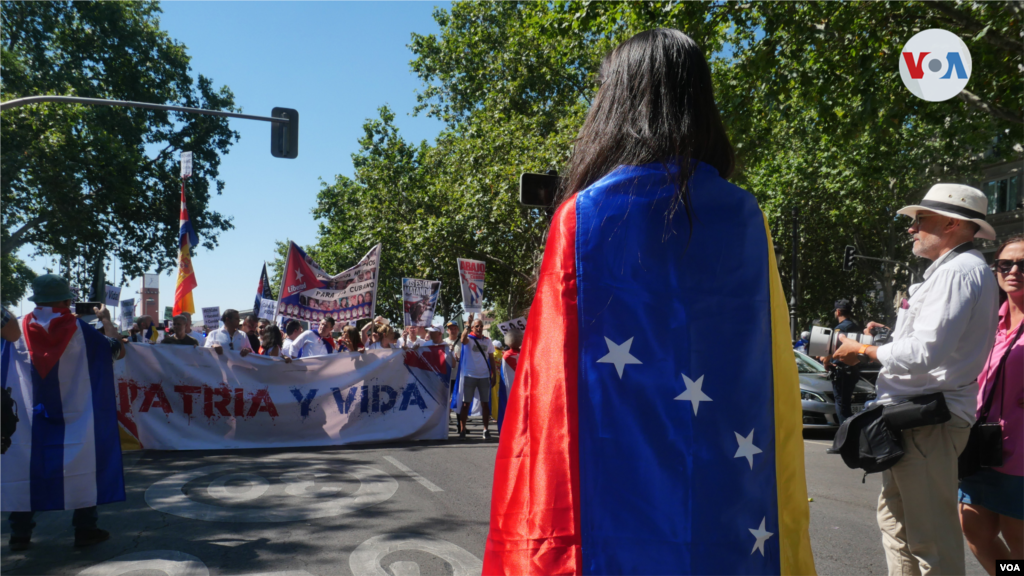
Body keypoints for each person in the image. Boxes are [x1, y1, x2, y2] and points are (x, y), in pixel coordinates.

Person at [483, 30, 816, 575]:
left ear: (614, 102)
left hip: (607, 517)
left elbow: (548, 398)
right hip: (730, 504)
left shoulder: (580, 217)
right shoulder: (747, 218)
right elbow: (772, 372)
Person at [833, 183, 999, 576]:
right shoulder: (954, 272)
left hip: (928, 421)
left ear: (953, 224)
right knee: (898, 528)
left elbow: (927, 352)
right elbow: (927, 348)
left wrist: (866, 351)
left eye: (920, 219)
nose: (912, 228)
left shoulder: (959, 273)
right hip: (914, 419)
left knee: (933, 542)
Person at [1, 275, 127, 551]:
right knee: (83, 463)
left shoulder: (13, 329)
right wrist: (106, 321)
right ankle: (85, 529)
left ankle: (19, 534)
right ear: (68, 300)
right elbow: (118, 351)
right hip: (77, 417)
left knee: (24, 465)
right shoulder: (83, 331)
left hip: (26, 420)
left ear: (36, 299)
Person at [958, 234, 1024, 574]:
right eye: (1005, 263)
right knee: (977, 534)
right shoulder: (989, 322)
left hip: (1021, 459)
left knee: (1019, 541)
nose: (1014, 270)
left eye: (1023, 264)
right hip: (980, 448)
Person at [454, 313, 494, 439]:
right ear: (472, 328)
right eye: (477, 326)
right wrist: (467, 324)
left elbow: (492, 359)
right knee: (466, 404)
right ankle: (462, 430)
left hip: (484, 376)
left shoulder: (488, 341)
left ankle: (485, 430)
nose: (479, 328)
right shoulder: (469, 339)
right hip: (469, 375)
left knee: (485, 404)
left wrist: (494, 376)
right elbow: (462, 339)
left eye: (481, 326)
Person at [823, 299, 861, 425]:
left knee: (841, 405)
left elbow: (834, 347)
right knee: (845, 403)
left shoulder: (840, 328)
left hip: (842, 370)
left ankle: (846, 437)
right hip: (853, 369)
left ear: (838, 312)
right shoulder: (855, 326)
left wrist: (826, 361)